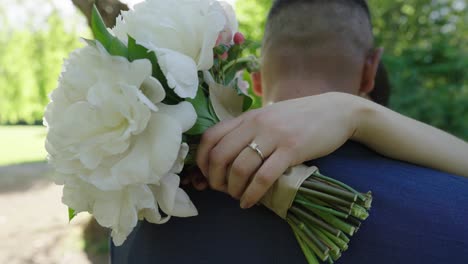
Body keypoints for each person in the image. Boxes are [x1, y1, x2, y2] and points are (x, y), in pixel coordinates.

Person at [111, 0, 468, 263]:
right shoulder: (454, 210)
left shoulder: (140, 214)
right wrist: (358, 112)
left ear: (258, 81)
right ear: (370, 71)